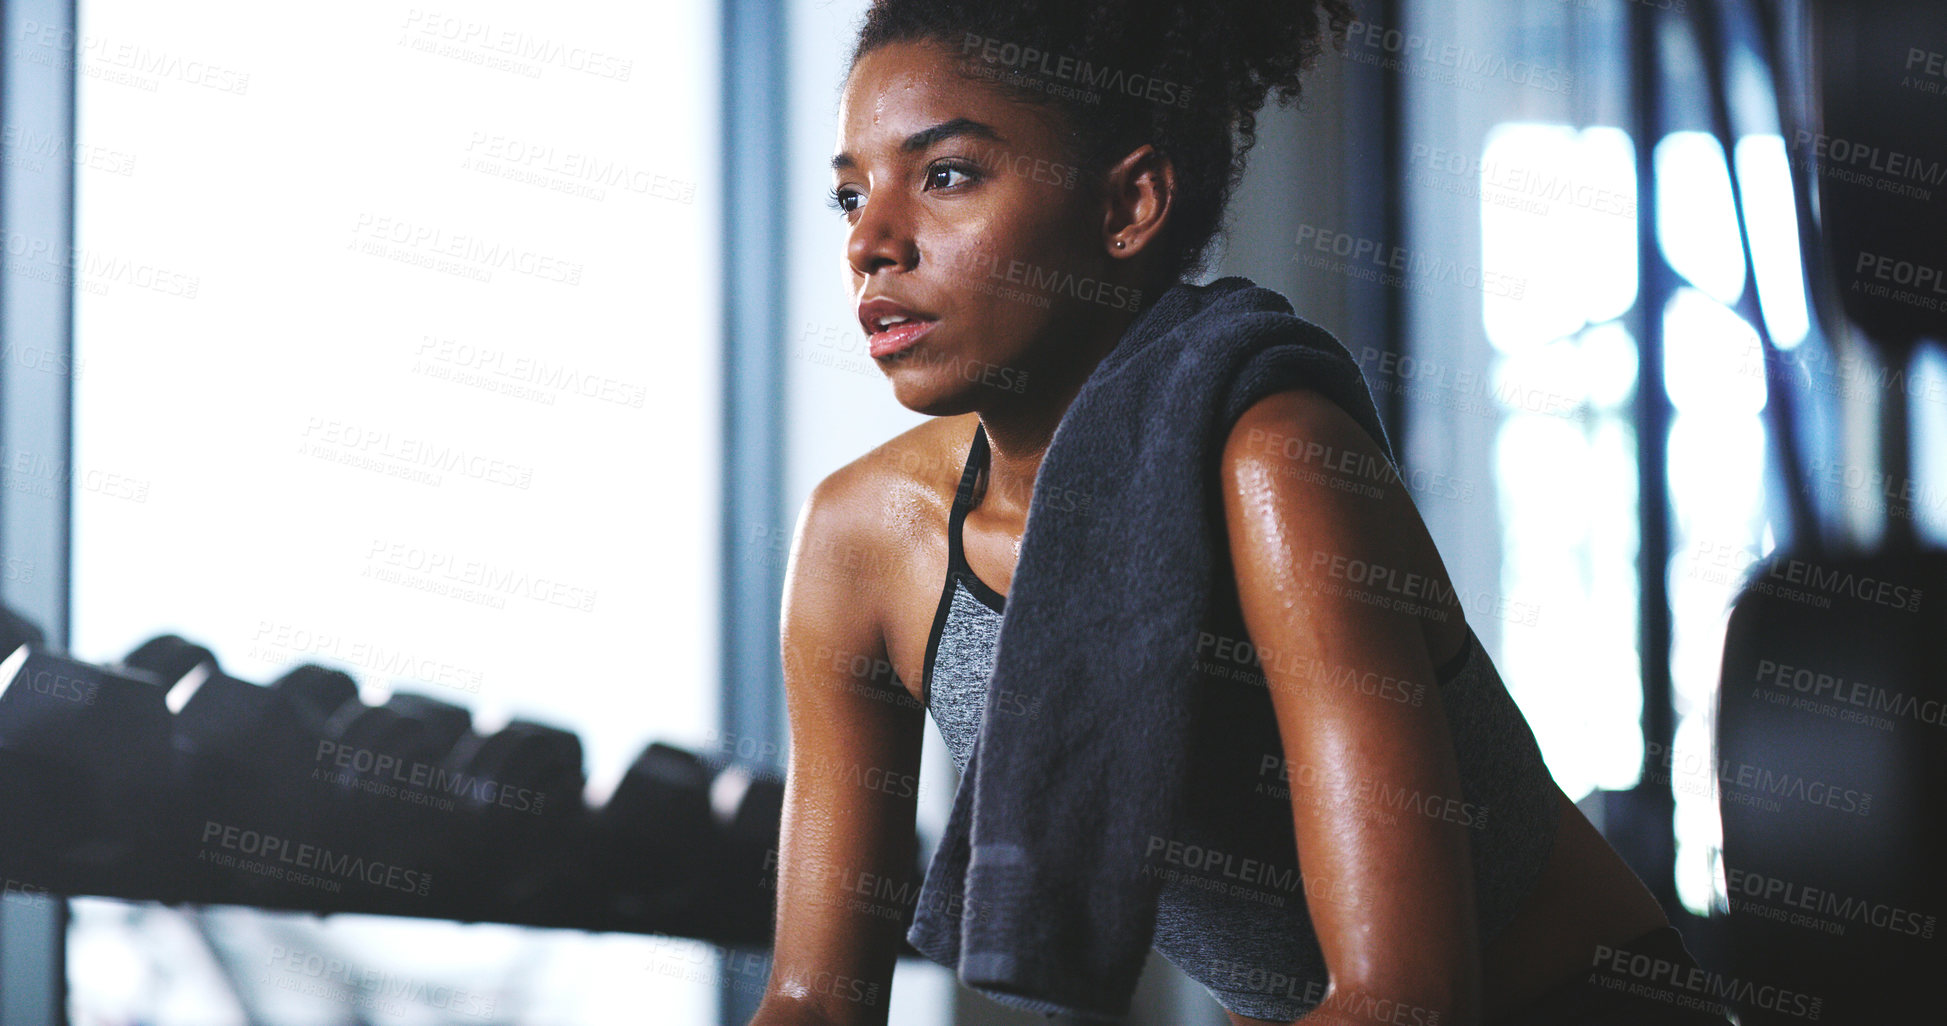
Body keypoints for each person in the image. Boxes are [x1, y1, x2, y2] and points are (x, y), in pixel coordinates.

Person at [751, 2, 1734, 1024]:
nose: (872, 241)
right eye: (851, 195)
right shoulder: (862, 541)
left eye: (947, 174)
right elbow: (816, 1004)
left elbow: (1405, 1001)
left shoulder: (1277, 466)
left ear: (1129, 204)